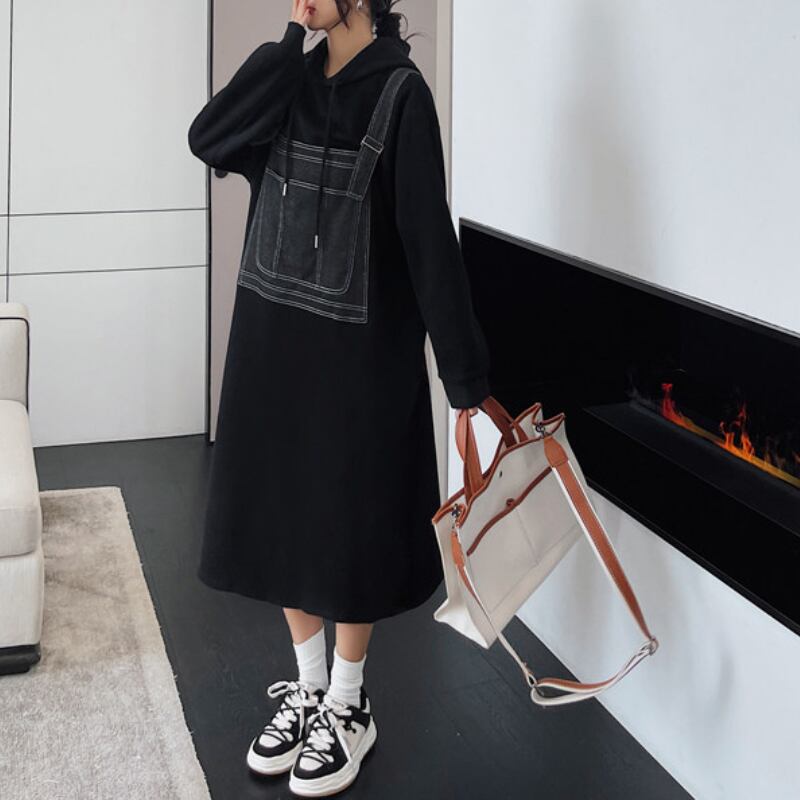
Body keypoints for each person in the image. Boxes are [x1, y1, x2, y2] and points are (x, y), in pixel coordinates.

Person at [187, 0, 490, 795]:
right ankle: (310, 689)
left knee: (348, 531)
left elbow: (429, 244)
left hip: (360, 363)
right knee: (284, 523)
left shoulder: (401, 94)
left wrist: (465, 381)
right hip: (273, 351)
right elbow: (208, 138)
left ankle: (350, 705)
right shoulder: (285, 80)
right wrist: (291, 40)